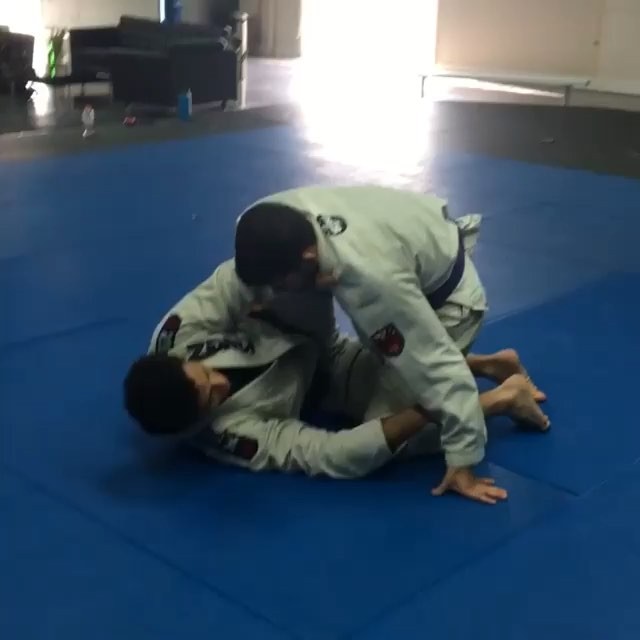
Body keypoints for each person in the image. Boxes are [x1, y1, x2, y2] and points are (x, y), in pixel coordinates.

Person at [124, 261, 548, 503]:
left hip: (303, 330)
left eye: (204, 375)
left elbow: (234, 277)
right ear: (195, 423)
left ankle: (483, 368)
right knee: (396, 442)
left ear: (177, 361)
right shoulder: (228, 436)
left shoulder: (176, 334)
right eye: (211, 399)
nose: (219, 382)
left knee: (280, 264)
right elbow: (330, 453)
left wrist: (301, 272)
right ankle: (499, 396)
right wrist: (428, 410)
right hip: (328, 384)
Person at [232, 185, 549, 500]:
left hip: (449, 303)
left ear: (309, 257)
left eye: (278, 282)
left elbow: (437, 365)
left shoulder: (370, 282)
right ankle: (490, 364)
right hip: (412, 243)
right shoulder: (262, 217)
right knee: (289, 298)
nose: (272, 292)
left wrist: (463, 460)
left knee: (390, 436)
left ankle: (505, 397)